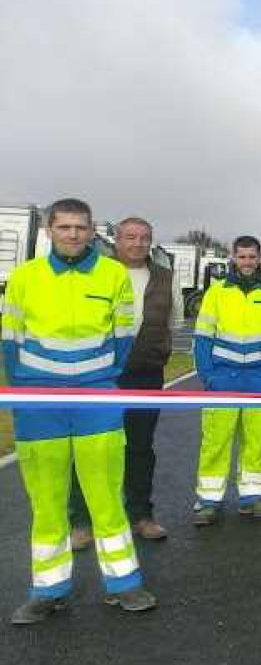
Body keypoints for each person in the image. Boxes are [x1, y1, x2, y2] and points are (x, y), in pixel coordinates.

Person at [3, 198, 157, 623]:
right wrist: (29, 389)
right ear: (49, 231)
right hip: (39, 404)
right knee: (48, 501)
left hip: (97, 400)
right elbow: (10, 340)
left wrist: (97, 378)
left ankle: (124, 584)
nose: (73, 234)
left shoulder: (112, 275)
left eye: (80, 227)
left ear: (92, 232)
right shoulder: (25, 277)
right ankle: (48, 590)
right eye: (65, 227)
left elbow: (123, 335)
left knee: (106, 495)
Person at [69, 216, 180, 545]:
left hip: (146, 374)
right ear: (116, 240)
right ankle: (82, 521)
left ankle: (141, 517)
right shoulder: (95, 272)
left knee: (140, 447)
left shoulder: (166, 278)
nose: (137, 243)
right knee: (94, 447)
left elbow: (172, 324)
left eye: (144, 237)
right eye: (130, 237)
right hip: (99, 373)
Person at [192, 236, 261, 524]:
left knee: (257, 441)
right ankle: (209, 500)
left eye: (252, 257)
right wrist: (208, 375)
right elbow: (202, 337)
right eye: (242, 256)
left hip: (260, 379)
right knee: (216, 441)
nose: (247, 262)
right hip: (223, 378)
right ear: (233, 258)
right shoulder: (216, 292)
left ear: (260, 259)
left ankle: (253, 497)